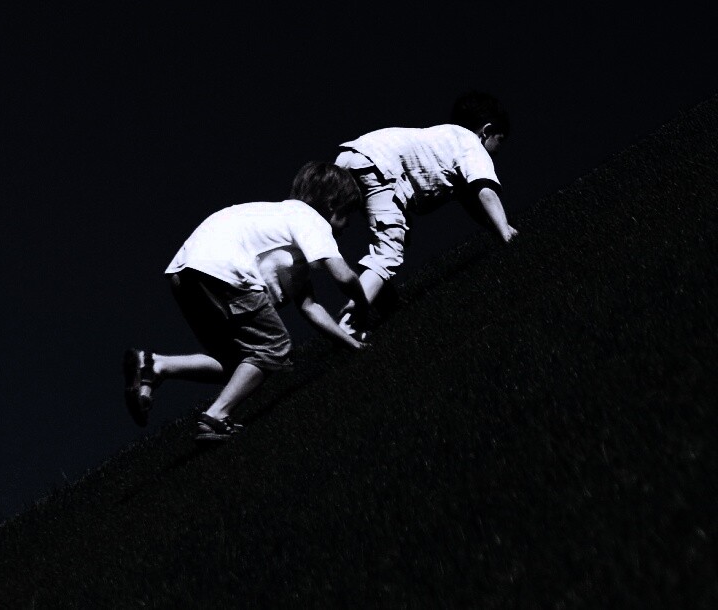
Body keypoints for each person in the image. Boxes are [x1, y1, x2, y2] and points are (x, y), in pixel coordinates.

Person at [122, 161, 373, 445]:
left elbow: (309, 307)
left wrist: (352, 345)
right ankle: (216, 416)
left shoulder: (280, 223)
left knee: (239, 363)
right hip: (224, 269)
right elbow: (344, 276)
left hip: (185, 272)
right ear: (331, 204)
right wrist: (363, 306)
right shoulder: (310, 219)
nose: (349, 224)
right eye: (348, 213)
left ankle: (155, 365)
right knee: (274, 347)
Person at [332, 90, 519, 338]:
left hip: (353, 156)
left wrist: (496, 227)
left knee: (396, 232)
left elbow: (473, 204)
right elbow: (485, 193)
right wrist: (506, 234)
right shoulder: (471, 145)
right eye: (499, 140)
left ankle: (385, 302)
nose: (497, 150)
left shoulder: (447, 138)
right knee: (389, 250)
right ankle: (350, 324)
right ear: (487, 131)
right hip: (379, 165)